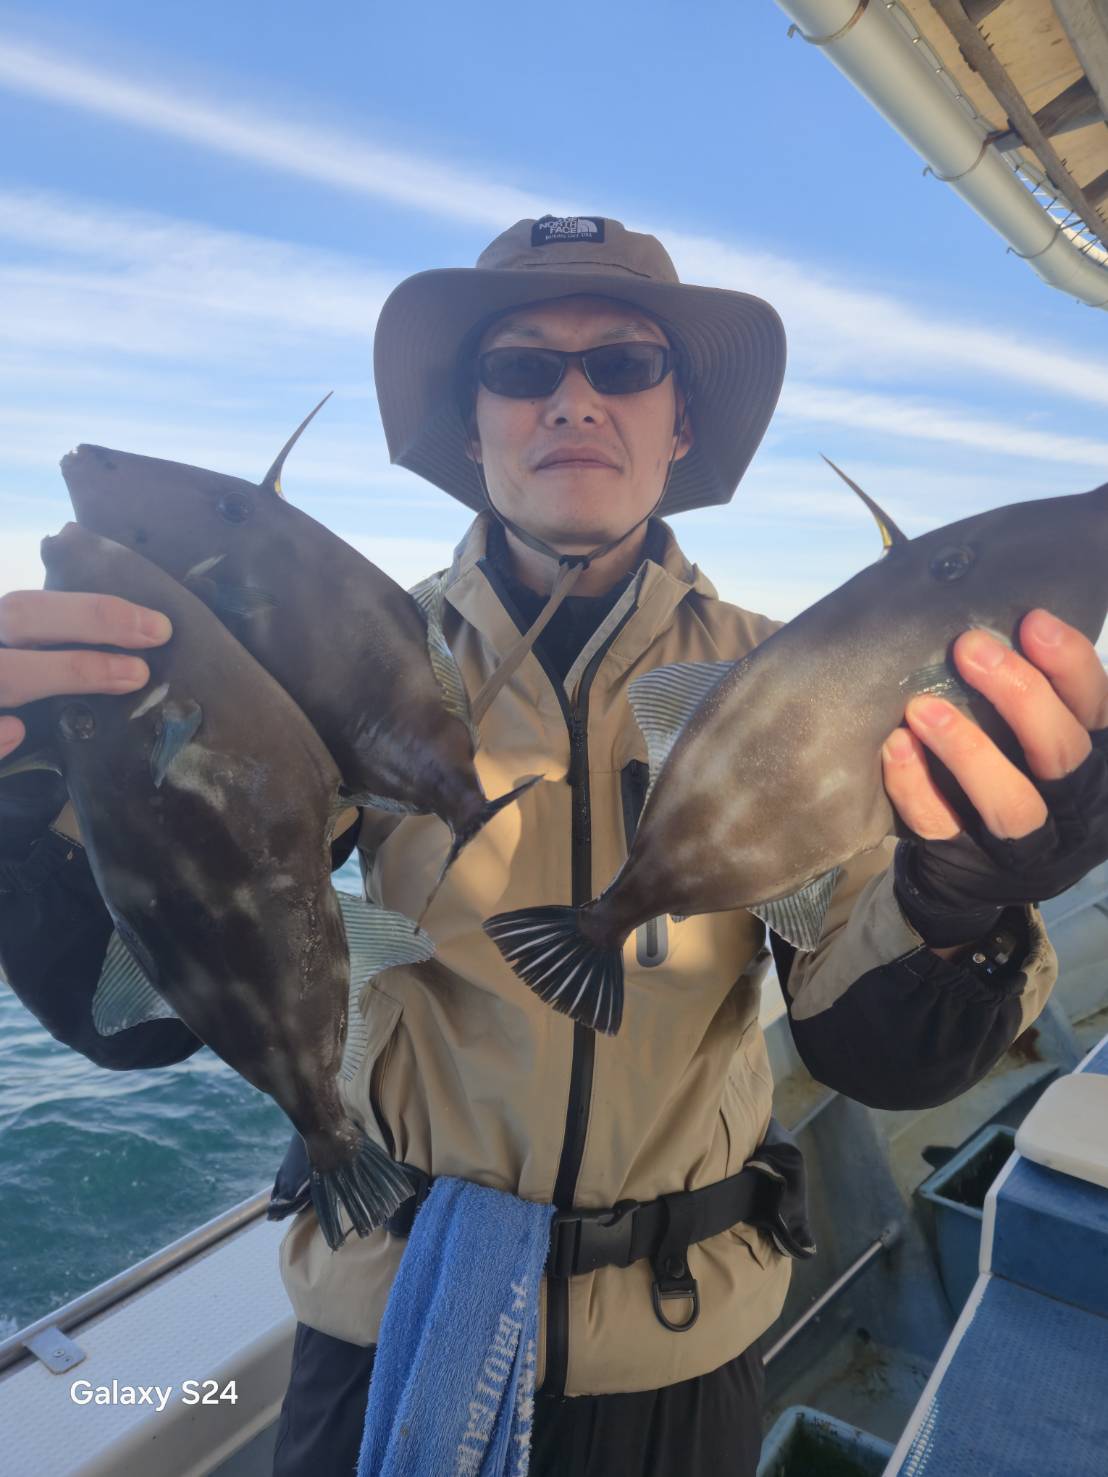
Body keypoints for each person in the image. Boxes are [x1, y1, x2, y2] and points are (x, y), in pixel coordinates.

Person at [1, 215, 1105, 1477]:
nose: (572, 398)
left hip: (679, 1346)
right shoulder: (325, 663)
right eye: (520, 367)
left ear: (679, 424)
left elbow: (873, 1054)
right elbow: (154, 1012)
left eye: (625, 363)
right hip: (381, 1315)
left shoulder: (813, 675)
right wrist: (34, 824)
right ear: (471, 430)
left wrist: (959, 906)